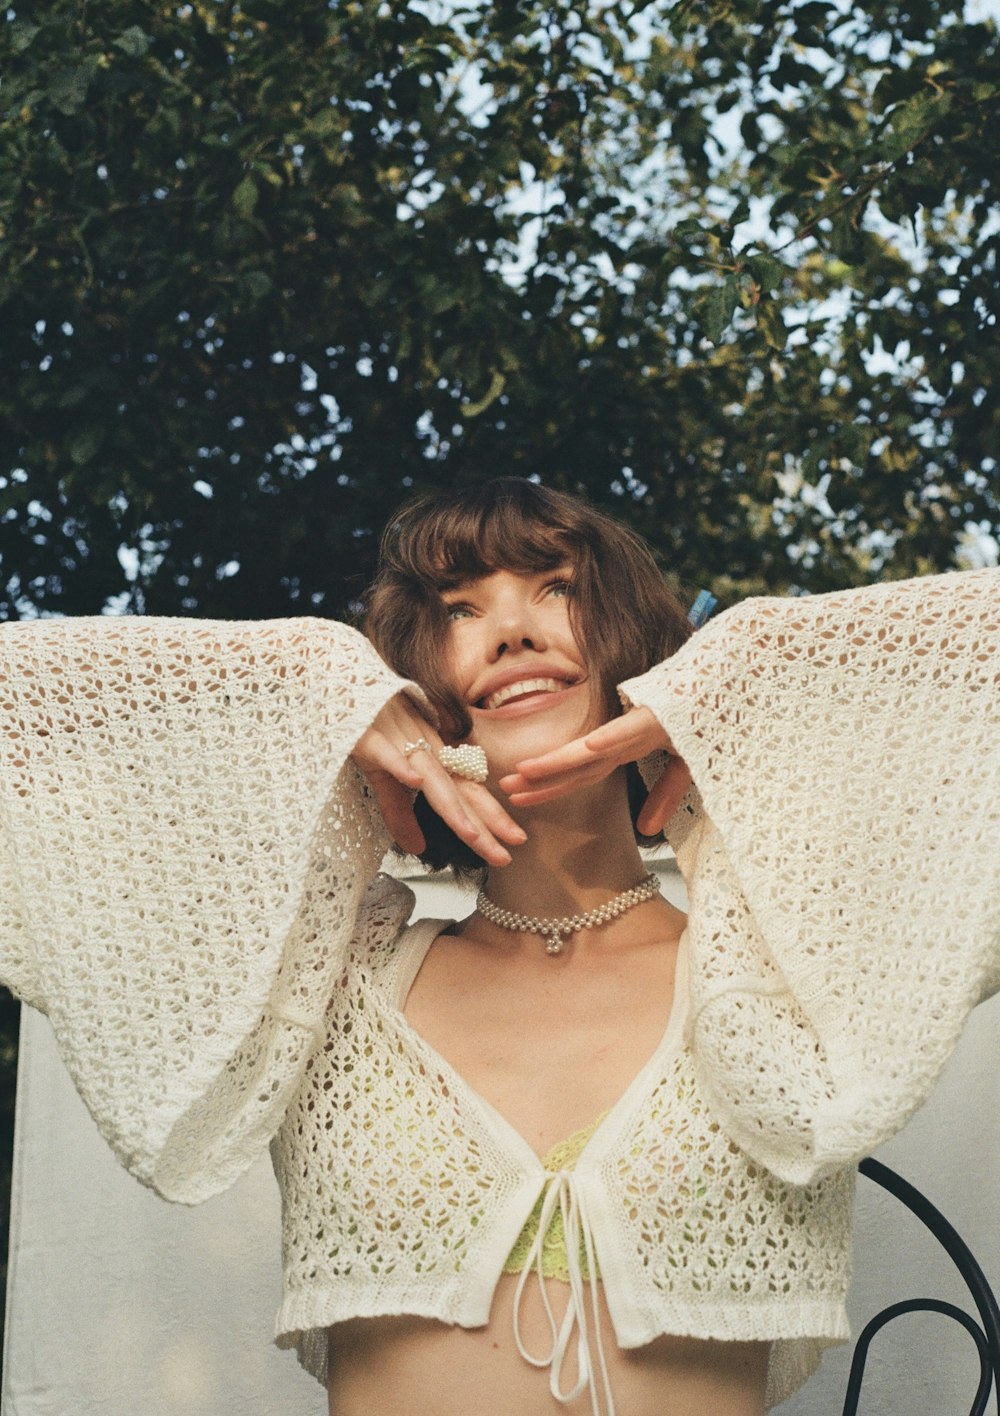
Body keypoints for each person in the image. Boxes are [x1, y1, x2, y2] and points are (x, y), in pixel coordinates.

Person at [0, 478, 997, 1416]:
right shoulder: (330, 975)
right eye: (458, 609)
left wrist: (749, 673)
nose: (512, 628)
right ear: (415, 683)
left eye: (556, 590)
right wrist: (318, 681)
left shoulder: (790, 964)